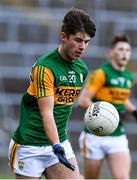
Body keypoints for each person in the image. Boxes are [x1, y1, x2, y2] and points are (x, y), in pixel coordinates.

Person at [8, 7, 96, 179]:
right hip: (30, 144)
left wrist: (58, 144)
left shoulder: (81, 69)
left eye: (86, 42)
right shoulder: (45, 67)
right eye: (78, 40)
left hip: (59, 141)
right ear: (63, 37)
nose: (82, 47)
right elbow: (46, 112)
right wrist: (56, 146)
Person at [77, 34, 137, 179]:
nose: (124, 53)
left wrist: (134, 111)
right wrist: (107, 114)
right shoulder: (101, 73)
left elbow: (122, 99)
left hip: (117, 135)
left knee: (123, 178)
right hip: (94, 136)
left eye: (127, 50)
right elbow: (83, 101)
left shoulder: (128, 77)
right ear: (111, 52)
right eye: (120, 49)